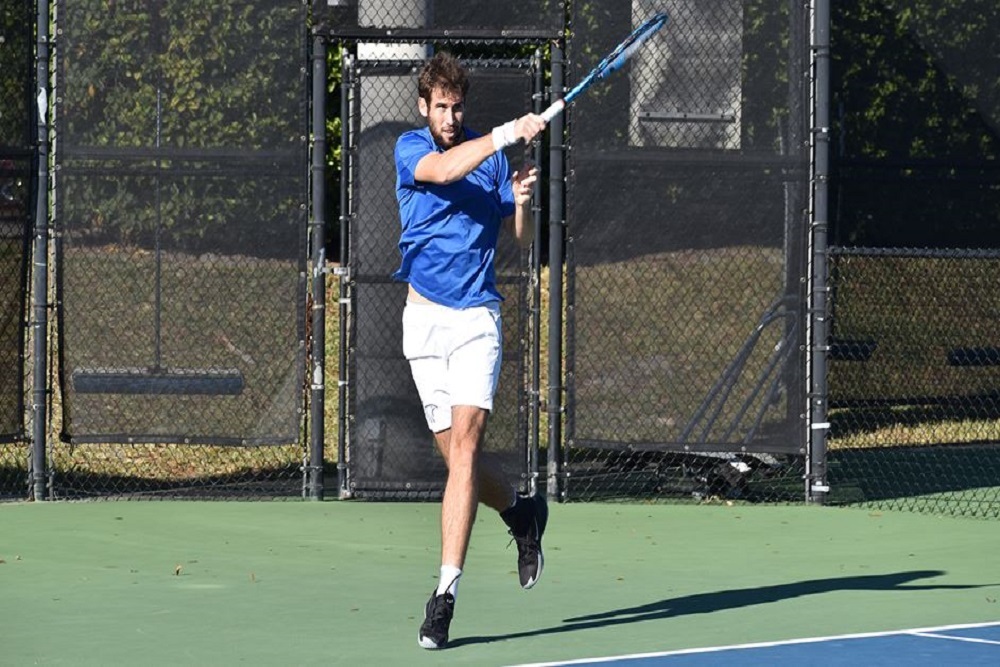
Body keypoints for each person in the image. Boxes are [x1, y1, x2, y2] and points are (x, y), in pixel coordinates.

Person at [393, 52, 549, 650]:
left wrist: (522, 201)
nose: (451, 117)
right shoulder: (412, 150)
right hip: (423, 322)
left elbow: (521, 238)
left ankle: (444, 597)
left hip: (477, 319)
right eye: (441, 108)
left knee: (465, 449)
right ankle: (521, 512)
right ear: (424, 108)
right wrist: (505, 133)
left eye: (458, 108)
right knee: (455, 459)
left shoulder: (491, 163)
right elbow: (443, 171)